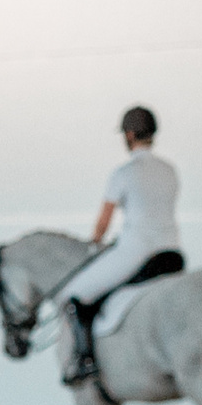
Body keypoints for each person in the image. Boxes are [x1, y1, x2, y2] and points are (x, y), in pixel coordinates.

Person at [60, 106, 185, 387]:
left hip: (137, 252)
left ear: (129, 135)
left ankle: (86, 361)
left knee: (74, 296)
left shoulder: (124, 173)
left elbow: (103, 223)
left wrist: (95, 245)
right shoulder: (170, 171)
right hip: (172, 252)